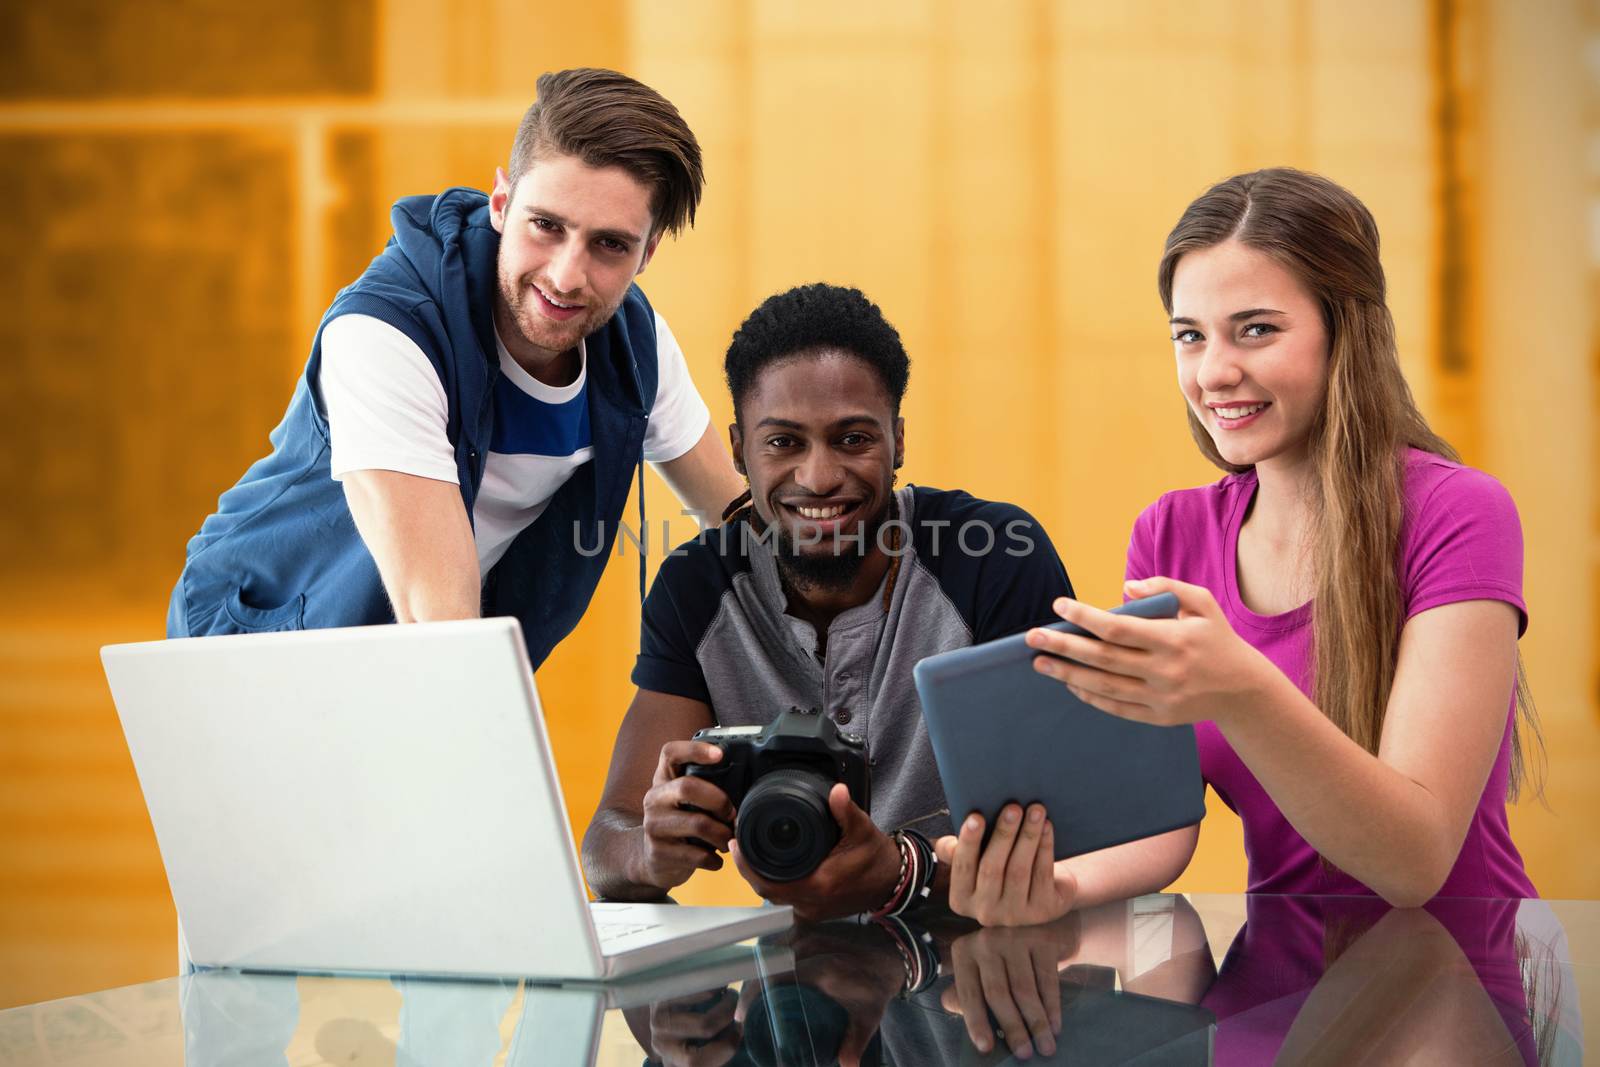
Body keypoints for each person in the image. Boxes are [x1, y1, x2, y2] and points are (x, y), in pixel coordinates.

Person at [941, 167, 1545, 925]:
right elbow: (1162, 819)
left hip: (1451, 984)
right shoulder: (1170, 533)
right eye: (1190, 336)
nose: (1215, 371)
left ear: (1344, 329)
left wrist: (1242, 686)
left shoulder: (1458, 512)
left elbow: (1413, 859)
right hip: (1273, 992)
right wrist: (1060, 887)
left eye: (1256, 329)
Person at [166, 68, 744, 669]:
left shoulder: (633, 342)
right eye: (546, 226)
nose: (567, 276)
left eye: (610, 245)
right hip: (255, 640)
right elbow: (438, 621)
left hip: (404, 659)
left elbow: (741, 528)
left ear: (646, 253)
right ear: (501, 203)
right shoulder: (386, 334)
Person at [581, 283, 1075, 921]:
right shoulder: (697, 587)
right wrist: (647, 853)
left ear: (898, 440)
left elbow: (1068, 831)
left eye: (853, 440)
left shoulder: (993, 558)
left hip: (989, 970)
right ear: (738, 450)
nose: (817, 477)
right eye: (783, 442)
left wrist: (903, 872)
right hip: (794, 991)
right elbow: (606, 841)